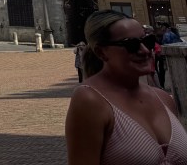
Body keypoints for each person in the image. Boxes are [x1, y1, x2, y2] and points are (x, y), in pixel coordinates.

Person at [65, 9, 187, 165]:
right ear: (101, 52)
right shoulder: (90, 101)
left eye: (148, 41)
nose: (144, 50)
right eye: (131, 45)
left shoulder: (164, 99)